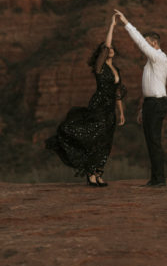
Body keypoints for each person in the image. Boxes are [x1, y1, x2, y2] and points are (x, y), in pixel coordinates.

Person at [46, 14, 126, 187]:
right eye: (107, 49)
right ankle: (90, 173)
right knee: (94, 138)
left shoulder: (116, 69)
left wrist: (121, 112)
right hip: (98, 106)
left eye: (112, 49)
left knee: (106, 141)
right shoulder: (100, 67)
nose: (110, 49)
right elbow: (107, 45)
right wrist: (112, 25)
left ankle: (98, 173)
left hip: (110, 108)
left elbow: (118, 93)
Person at [114, 9, 167, 187]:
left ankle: (159, 179)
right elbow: (149, 88)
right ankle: (156, 178)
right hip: (151, 104)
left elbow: (140, 44)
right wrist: (143, 108)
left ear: (154, 44)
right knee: (151, 141)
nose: (144, 47)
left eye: (147, 43)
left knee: (154, 141)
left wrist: (126, 23)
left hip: (158, 103)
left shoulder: (159, 57)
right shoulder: (151, 63)